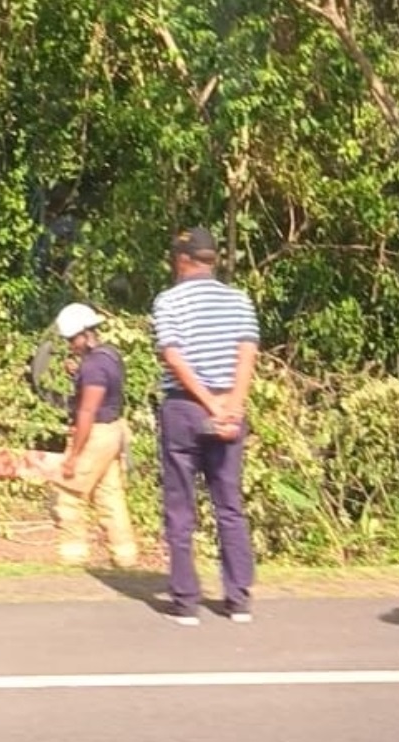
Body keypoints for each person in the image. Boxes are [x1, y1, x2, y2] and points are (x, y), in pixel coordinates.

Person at [151, 227, 260, 626]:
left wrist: (208, 402)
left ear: (182, 260)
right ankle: (238, 599)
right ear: (212, 259)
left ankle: (186, 602)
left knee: (181, 507)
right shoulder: (239, 299)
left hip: (185, 407)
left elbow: (173, 355)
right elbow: (247, 353)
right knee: (229, 504)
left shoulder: (169, 300)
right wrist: (232, 404)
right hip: (230, 403)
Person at [48, 303, 139, 568]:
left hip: (96, 434)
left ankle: (72, 555)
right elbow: (105, 388)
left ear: (86, 334)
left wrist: (73, 456)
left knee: (69, 493)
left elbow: (87, 410)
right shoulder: (109, 355)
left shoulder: (93, 368)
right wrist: (79, 373)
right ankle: (125, 556)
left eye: (73, 339)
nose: (70, 345)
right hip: (114, 431)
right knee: (109, 494)